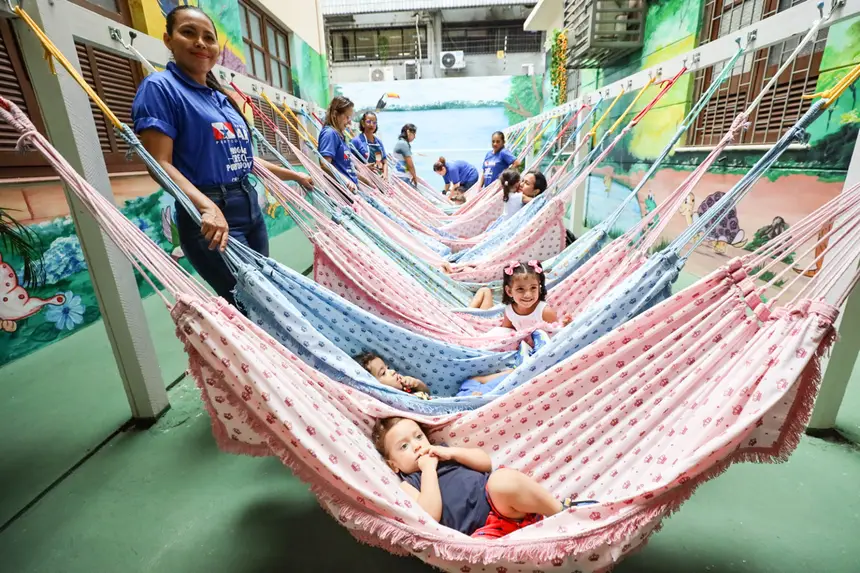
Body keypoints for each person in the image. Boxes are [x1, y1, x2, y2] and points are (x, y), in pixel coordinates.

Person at [132, 5, 312, 308]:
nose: (200, 43)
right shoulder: (160, 88)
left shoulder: (221, 99)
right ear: (168, 40)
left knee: (266, 296)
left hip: (249, 209)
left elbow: (245, 160)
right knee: (251, 304)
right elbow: (159, 163)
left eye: (209, 37)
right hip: (210, 218)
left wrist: (296, 176)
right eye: (188, 33)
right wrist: (207, 206)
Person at [372, 417, 591, 539]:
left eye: (418, 436)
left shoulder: (444, 453)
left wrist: (452, 453)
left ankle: (561, 512)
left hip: (500, 504)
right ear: (393, 465)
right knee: (475, 556)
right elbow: (429, 514)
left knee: (502, 480)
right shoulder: (409, 483)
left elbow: (485, 463)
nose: (417, 446)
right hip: (482, 533)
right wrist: (428, 470)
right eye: (404, 446)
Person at [355, 351, 513, 398]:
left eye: (387, 367)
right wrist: (468, 402)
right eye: (383, 373)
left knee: (472, 380)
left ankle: (513, 372)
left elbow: (426, 393)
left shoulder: (405, 388)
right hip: (458, 405)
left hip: (455, 399)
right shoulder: (398, 400)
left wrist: (417, 384)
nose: (392, 371)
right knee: (484, 391)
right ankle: (516, 376)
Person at [318, 96, 364, 192]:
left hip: (351, 191)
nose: (349, 122)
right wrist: (345, 180)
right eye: (347, 117)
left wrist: (369, 183)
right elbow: (324, 164)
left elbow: (347, 167)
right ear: (335, 114)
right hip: (340, 192)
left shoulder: (341, 136)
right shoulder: (329, 133)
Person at [351, 111, 388, 179]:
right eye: (368, 122)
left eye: (374, 122)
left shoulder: (378, 143)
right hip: (364, 179)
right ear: (363, 123)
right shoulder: (356, 141)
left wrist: (385, 175)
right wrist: (364, 168)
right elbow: (347, 161)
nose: (371, 124)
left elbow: (384, 162)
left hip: (379, 178)